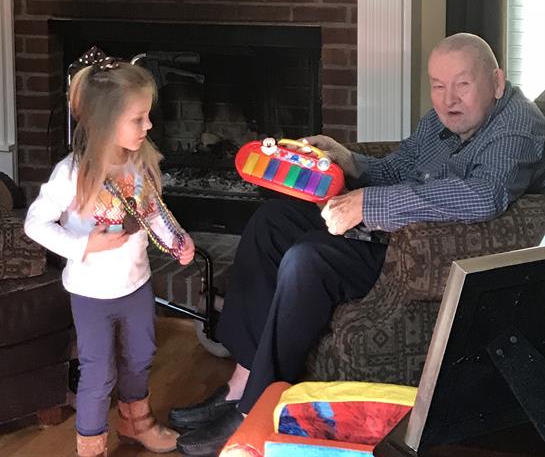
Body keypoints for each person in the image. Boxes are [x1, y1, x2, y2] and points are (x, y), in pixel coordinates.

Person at [171, 33, 545, 456]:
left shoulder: (517, 130)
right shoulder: (447, 119)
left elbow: (482, 195)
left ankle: (253, 410)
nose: (447, 99)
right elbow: (401, 166)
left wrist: (368, 203)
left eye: (462, 84)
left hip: (419, 251)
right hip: (386, 227)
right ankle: (241, 382)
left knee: (306, 260)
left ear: (496, 82)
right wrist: (348, 160)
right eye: (438, 86)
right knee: (272, 222)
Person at [24, 52, 195, 457]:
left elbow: (150, 213)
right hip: (91, 294)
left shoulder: (139, 164)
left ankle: (137, 423)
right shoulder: (72, 174)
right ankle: (91, 444)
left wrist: (176, 239)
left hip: (136, 285)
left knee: (140, 356)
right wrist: (83, 245)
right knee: (98, 372)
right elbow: (35, 223)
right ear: (105, 122)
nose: (149, 125)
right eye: (138, 119)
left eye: (147, 116)